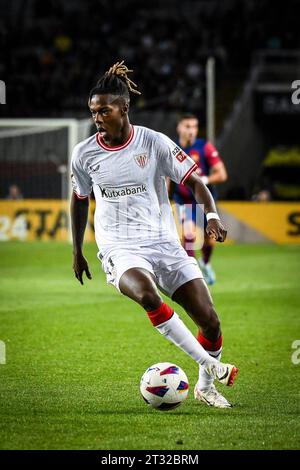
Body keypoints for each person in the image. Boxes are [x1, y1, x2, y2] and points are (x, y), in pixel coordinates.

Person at [70, 61, 238, 408]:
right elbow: (79, 200)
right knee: (146, 295)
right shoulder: (84, 154)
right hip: (120, 246)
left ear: (124, 107)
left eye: (104, 111)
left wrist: (210, 216)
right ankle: (211, 365)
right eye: (93, 112)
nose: (97, 118)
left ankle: (206, 386)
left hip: (164, 242)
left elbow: (195, 182)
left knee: (210, 321)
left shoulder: (154, 142)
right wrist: (77, 251)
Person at [171, 114, 228, 285]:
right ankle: (193, 274)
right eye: (187, 126)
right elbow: (165, 176)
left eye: (194, 127)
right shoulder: (171, 148)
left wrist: (205, 180)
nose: (191, 131)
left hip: (204, 200)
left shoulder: (205, 148)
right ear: (179, 128)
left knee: (210, 239)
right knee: (188, 235)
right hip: (183, 199)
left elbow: (222, 174)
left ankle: (206, 262)